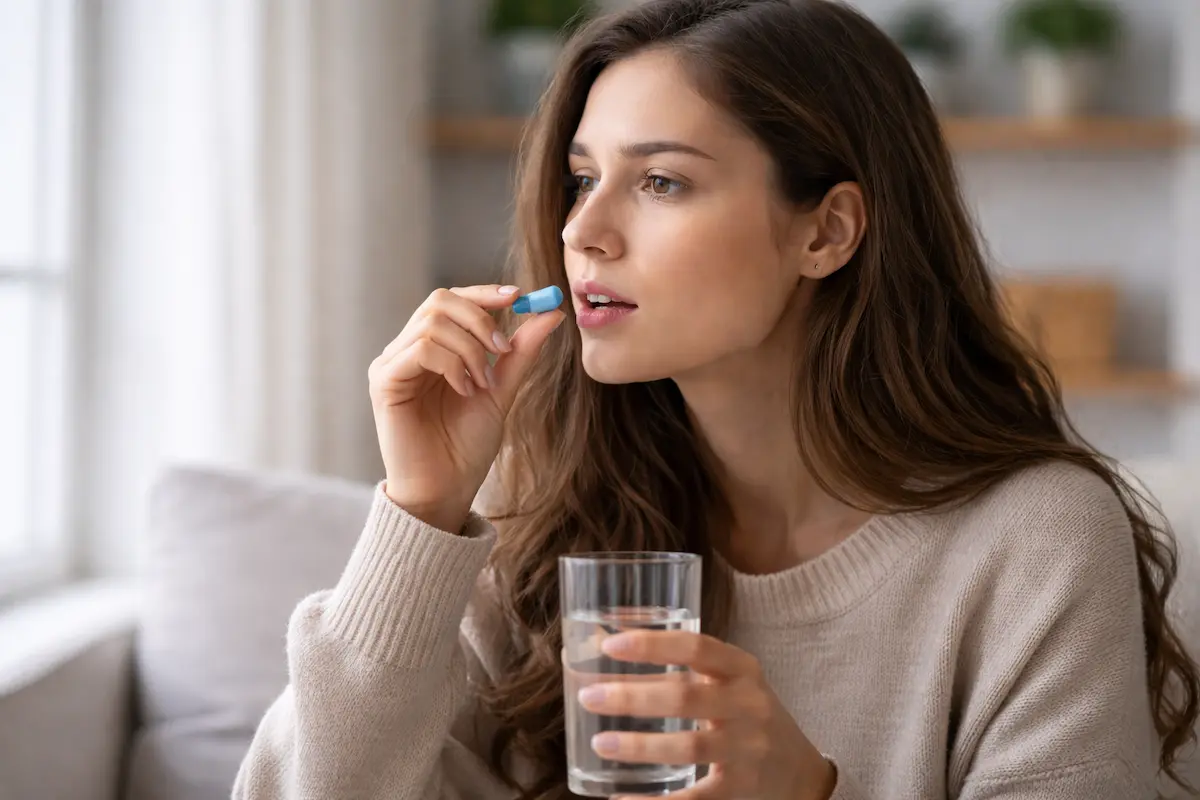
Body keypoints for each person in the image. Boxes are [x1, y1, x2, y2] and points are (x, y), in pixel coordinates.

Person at [233, 0, 1200, 798]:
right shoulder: (541, 504)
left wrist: (810, 794)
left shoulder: (1036, 539)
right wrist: (422, 506)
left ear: (827, 232)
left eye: (659, 180)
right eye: (581, 179)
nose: (586, 234)